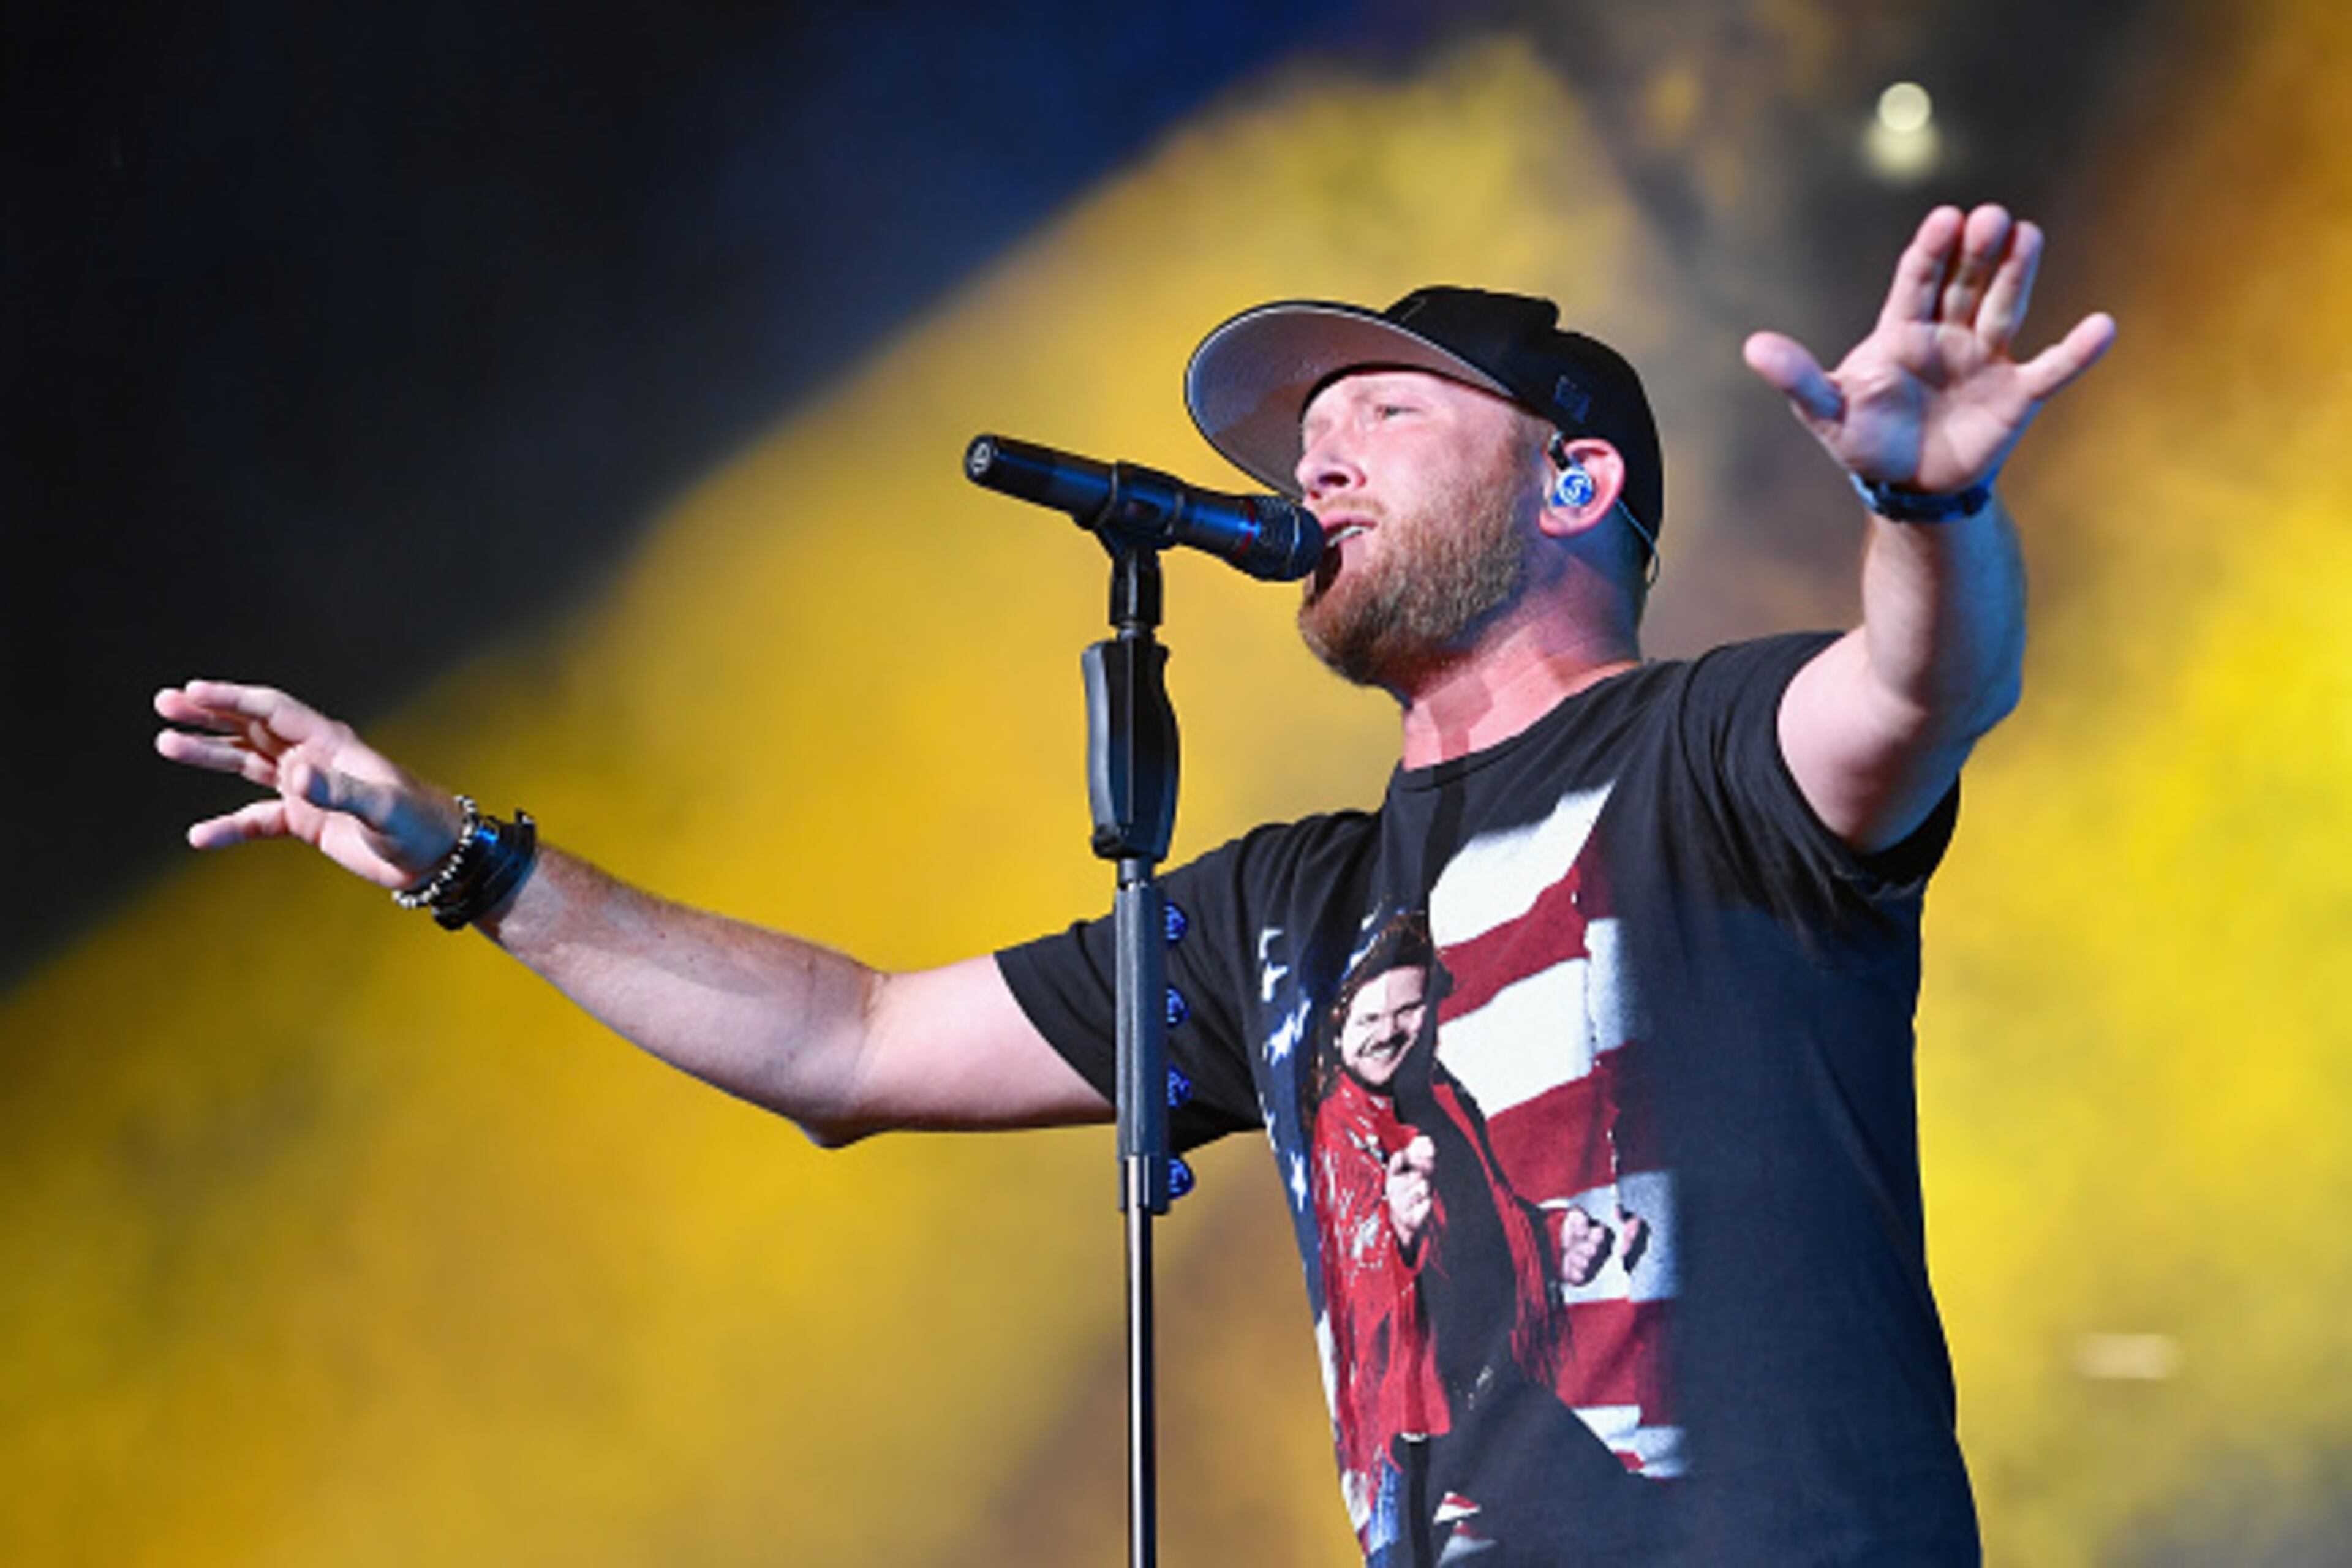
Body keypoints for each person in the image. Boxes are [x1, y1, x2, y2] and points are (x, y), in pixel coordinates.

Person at [156, 203, 2115, 1563]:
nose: (1316, 471)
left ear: (1576, 485)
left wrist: (1928, 502)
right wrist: (468, 864)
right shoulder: (1281, 909)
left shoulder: (1710, 761)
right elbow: (847, 1043)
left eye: (1384, 420)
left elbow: (1928, 681)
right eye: (1306, 440)